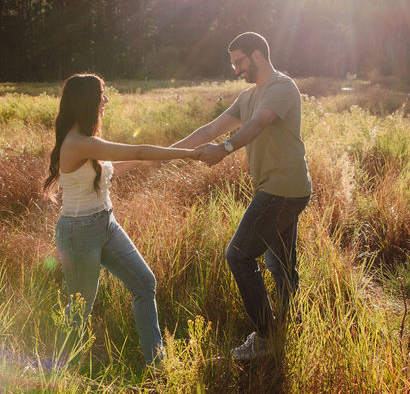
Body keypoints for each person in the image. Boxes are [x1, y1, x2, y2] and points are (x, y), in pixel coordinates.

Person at [173, 32, 312, 360]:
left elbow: (259, 124)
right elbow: (209, 129)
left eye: (240, 61)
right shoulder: (248, 96)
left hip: (282, 189)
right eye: (234, 63)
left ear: (257, 55)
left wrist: (225, 149)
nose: (236, 68)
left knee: (238, 256)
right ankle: (288, 328)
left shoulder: (281, 87)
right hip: (282, 189)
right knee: (280, 265)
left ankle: (265, 338)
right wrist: (162, 153)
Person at [44, 72, 200, 365]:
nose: (106, 100)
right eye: (101, 94)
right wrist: (193, 154)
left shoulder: (88, 140)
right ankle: (60, 373)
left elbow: (107, 167)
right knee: (80, 310)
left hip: (106, 224)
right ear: (86, 101)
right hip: (79, 233)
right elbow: (138, 148)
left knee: (144, 283)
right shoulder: (78, 142)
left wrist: (143, 161)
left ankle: (156, 363)